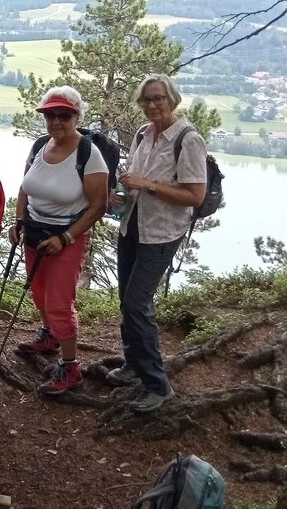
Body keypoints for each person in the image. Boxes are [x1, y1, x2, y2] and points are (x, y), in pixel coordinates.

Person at [108, 73, 209, 413]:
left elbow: (194, 196)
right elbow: (134, 181)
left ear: (172, 100)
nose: (152, 105)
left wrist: (147, 184)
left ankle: (157, 384)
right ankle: (132, 364)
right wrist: (121, 194)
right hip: (132, 226)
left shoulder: (188, 139)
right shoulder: (143, 133)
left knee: (137, 304)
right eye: (146, 99)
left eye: (158, 98)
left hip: (162, 233)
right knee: (126, 300)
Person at [9, 87, 109, 395]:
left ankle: (70, 366)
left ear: (77, 117)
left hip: (67, 237)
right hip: (35, 233)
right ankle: (49, 335)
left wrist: (65, 238)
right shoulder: (40, 145)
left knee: (59, 302)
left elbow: (98, 206)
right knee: (39, 293)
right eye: (50, 115)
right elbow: (25, 187)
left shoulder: (88, 154)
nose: (55, 121)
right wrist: (19, 221)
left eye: (64, 115)